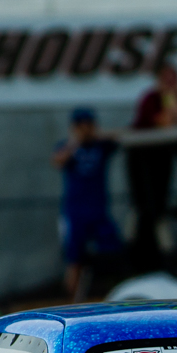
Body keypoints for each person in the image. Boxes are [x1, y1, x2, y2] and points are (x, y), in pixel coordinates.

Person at [126, 64, 177, 271]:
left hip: (165, 157)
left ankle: (167, 255)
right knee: (143, 205)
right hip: (142, 158)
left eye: (174, 79)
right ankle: (132, 251)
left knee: (161, 204)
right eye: (167, 79)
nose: (171, 84)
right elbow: (164, 123)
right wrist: (170, 100)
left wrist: (174, 100)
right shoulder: (150, 99)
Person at [53, 107, 121, 300]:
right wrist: (76, 141)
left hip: (99, 210)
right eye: (81, 125)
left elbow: (121, 136)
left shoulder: (101, 145)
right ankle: (71, 301)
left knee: (112, 252)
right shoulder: (68, 146)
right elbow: (57, 161)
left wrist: (96, 135)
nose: (85, 129)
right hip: (75, 212)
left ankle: (109, 295)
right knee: (74, 259)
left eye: (89, 125)